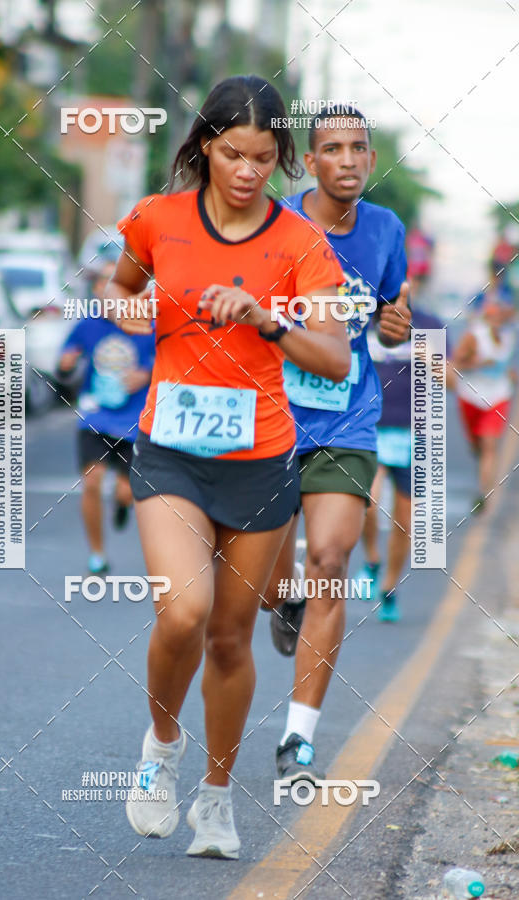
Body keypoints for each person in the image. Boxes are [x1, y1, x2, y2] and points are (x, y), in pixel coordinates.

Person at [108, 75, 350, 859]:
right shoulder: (156, 219)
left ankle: (216, 796)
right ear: (205, 147)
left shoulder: (300, 244)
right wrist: (136, 312)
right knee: (182, 613)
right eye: (232, 153)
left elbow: (336, 358)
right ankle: (161, 750)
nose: (247, 170)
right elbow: (119, 290)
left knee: (229, 640)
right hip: (171, 449)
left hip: (261, 460)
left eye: (264, 157)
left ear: (281, 158)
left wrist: (267, 320)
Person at [265, 106, 411, 784]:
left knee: (330, 556)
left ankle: (298, 739)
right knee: (262, 583)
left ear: (371, 161)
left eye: (358, 148)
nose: (347, 160)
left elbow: (387, 324)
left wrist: (396, 328)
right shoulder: (276, 226)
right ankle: (282, 599)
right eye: (333, 149)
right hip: (269, 419)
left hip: (347, 419)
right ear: (311, 162)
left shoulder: (386, 230)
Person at [57, 261, 155, 574]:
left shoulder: (147, 324)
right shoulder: (87, 325)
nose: (108, 289)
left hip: (135, 422)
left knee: (126, 491)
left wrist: (147, 374)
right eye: (102, 283)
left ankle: (123, 503)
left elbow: (172, 364)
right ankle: (97, 554)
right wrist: (67, 364)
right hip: (94, 417)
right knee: (92, 482)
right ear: (98, 290)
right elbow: (63, 368)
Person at [354, 305, 450, 621]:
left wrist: (428, 356)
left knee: (405, 521)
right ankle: (371, 559)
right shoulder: (363, 319)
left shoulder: (428, 322)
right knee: (368, 500)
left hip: (415, 434)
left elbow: (451, 379)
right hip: (372, 429)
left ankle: (389, 588)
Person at [454, 295, 516, 512]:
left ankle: (483, 494)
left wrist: (511, 375)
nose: (499, 320)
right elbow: (456, 364)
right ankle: (481, 461)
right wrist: (479, 362)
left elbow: (506, 366)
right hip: (470, 396)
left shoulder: (510, 337)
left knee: (489, 445)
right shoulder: (474, 336)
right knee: (477, 445)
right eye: (494, 316)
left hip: (498, 396)